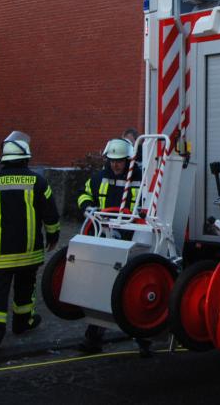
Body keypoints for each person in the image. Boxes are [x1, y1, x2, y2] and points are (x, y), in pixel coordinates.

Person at [0, 136, 59, 356]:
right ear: (26, 159)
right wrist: (53, 236)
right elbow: (50, 213)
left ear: (5, 159)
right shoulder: (38, 182)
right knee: (25, 290)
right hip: (29, 252)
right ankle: (22, 323)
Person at [77, 138, 142, 354]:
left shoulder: (140, 178)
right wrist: (88, 208)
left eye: (120, 161)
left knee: (135, 287)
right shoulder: (98, 178)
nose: (116, 165)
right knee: (102, 288)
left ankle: (143, 340)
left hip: (132, 240)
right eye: (113, 161)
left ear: (128, 160)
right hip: (105, 239)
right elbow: (84, 195)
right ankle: (93, 338)